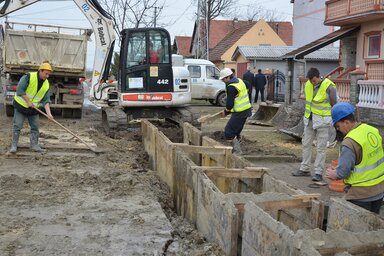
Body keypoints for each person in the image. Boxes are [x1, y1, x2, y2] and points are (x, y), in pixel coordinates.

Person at [326, 102, 384, 214]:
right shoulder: (371, 130)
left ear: (346, 122)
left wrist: (334, 174)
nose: (338, 130)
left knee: (358, 227)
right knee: (372, 226)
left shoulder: (349, 142)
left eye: (338, 126)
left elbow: (343, 172)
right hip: (380, 190)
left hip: (361, 195)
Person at [292, 67, 337, 181]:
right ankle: (304, 168)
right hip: (310, 120)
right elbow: (309, 102)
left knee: (321, 148)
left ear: (319, 76)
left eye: (314, 81)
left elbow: (334, 102)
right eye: (311, 81)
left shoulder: (328, 86)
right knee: (306, 144)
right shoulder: (308, 85)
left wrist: (335, 116)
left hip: (322, 121)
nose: (312, 83)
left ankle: (318, 172)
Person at [9, 62, 54, 153]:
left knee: (35, 127)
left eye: (49, 74)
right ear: (40, 71)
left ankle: (34, 145)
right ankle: (13, 146)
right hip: (21, 106)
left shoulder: (46, 84)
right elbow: (20, 90)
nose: (47, 76)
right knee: (17, 125)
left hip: (33, 109)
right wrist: (28, 101)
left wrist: (49, 114)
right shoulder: (29, 77)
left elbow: (46, 100)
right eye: (46, 73)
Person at [219, 68, 252, 154]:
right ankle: (236, 149)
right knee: (235, 132)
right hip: (245, 110)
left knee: (229, 132)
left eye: (223, 79)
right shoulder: (239, 81)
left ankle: (237, 152)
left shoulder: (231, 86)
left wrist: (226, 112)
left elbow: (230, 104)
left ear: (228, 77)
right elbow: (248, 85)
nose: (223, 81)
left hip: (240, 112)